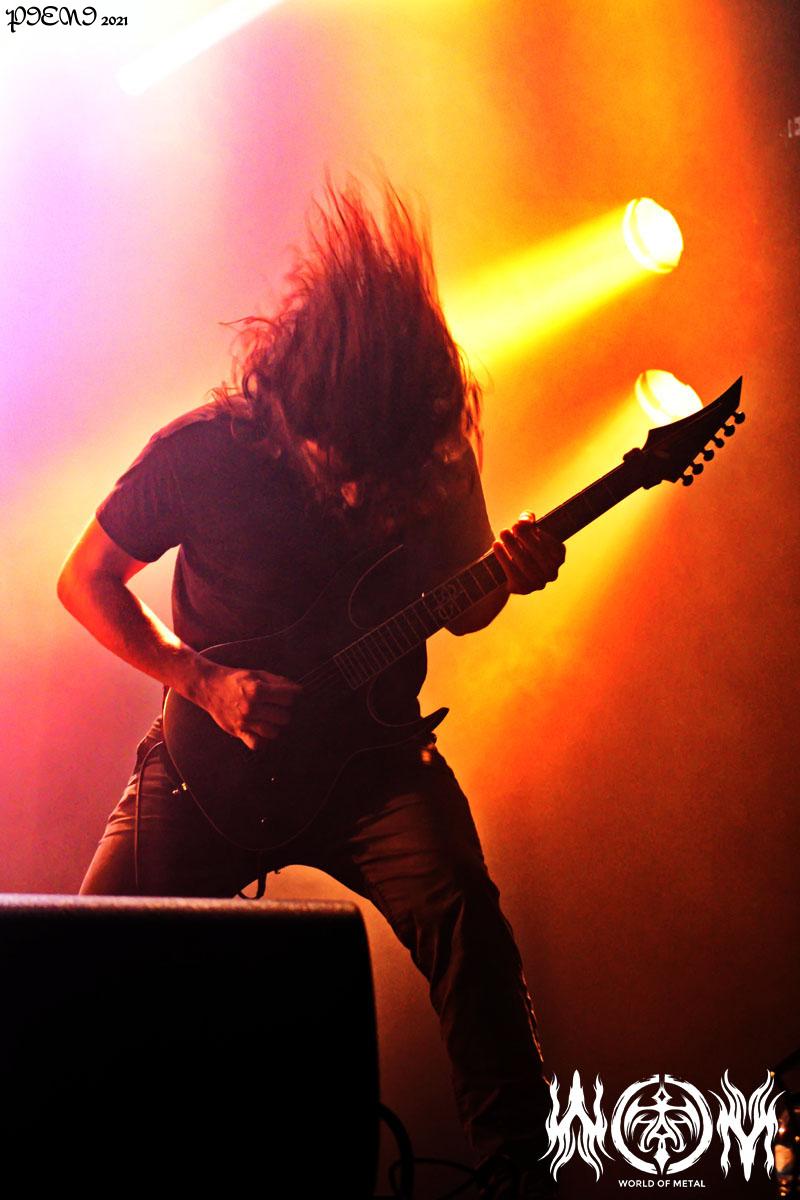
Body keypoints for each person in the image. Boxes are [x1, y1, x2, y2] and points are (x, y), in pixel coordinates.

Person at [57, 177, 565, 1199]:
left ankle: (519, 1174)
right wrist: (200, 679)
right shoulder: (201, 452)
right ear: (292, 398)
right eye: (336, 455)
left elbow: (463, 605)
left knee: (468, 923)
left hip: (374, 765)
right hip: (204, 769)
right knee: (81, 965)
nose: (355, 484)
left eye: (373, 463)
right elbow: (85, 580)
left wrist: (509, 576)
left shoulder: (428, 457)